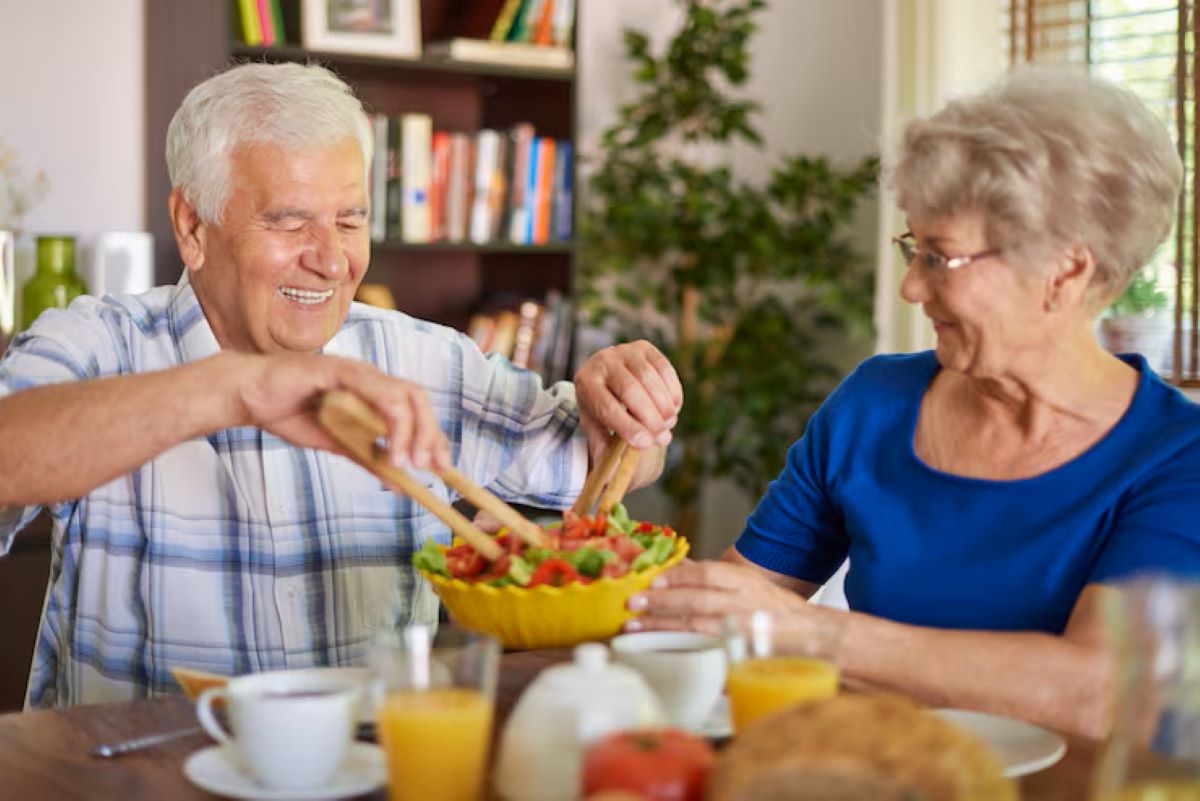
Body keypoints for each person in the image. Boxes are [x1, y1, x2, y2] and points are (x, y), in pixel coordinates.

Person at [0, 63, 682, 708]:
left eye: (350, 219)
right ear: (191, 226)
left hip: (375, 767)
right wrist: (233, 388)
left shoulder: (422, 359)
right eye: (288, 219)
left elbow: (616, 463)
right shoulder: (97, 342)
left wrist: (625, 406)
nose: (330, 259)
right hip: (147, 778)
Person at [627, 69, 1200, 739]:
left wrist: (816, 634)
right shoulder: (873, 403)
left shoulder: (1177, 455)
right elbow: (727, 616)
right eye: (913, 248)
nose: (909, 288)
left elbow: (1101, 692)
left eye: (939, 257)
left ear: (1065, 272)